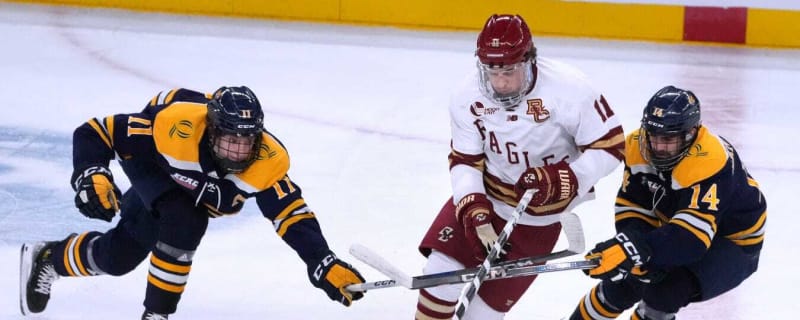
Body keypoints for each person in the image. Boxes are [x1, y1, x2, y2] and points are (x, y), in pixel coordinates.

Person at [19, 86, 366, 319]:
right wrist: (91, 172)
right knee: (185, 220)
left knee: (118, 257)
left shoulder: (267, 162)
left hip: (186, 186)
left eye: (247, 141)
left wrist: (322, 261)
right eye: (229, 139)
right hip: (155, 163)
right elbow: (97, 131)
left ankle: (50, 257)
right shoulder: (173, 128)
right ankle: (156, 314)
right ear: (210, 129)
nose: (239, 151)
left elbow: (291, 214)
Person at [415, 14, 625, 319]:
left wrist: (566, 178)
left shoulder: (570, 89)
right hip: (489, 195)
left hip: (539, 219)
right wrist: (473, 206)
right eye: (491, 72)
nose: (499, 83)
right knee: (437, 280)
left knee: (481, 315)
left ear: (529, 59)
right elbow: (465, 160)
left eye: (509, 71)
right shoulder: (466, 96)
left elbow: (612, 144)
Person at [567, 86, 767, 320]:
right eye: (653, 136)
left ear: (691, 133)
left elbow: (691, 240)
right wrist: (631, 246)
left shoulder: (709, 160)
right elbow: (633, 204)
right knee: (621, 284)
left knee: (664, 292)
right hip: (676, 225)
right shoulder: (636, 144)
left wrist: (637, 249)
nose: (659, 147)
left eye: (668, 139)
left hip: (732, 241)